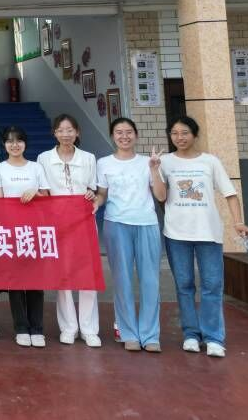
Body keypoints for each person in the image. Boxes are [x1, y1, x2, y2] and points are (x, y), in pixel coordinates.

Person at [159, 115, 248, 358]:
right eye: (174, 133)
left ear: (195, 135)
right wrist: (153, 168)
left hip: (208, 232)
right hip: (176, 233)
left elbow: (230, 193)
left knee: (212, 285)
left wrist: (238, 222)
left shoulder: (210, 161)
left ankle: (213, 337)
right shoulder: (164, 162)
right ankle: (190, 334)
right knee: (184, 285)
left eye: (185, 133)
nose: (179, 137)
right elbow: (160, 196)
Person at [94, 117, 163, 353]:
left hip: (146, 223)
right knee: (122, 280)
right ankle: (128, 333)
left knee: (150, 281)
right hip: (116, 224)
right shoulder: (104, 163)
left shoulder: (148, 162)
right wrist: (94, 203)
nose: (124, 136)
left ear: (136, 135)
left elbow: (161, 196)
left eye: (128, 132)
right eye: (119, 132)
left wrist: (154, 169)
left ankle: (150, 335)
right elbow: (102, 194)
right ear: (113, 136)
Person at [37, 114, 101, 348]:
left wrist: (92, 194)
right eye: (61, 130)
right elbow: (43, 191)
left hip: (84, 221)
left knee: (87, 274)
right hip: (58, 223)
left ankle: (89, 329)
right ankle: (68, 327)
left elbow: (93, 188)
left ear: (77, 132)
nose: (65, 134)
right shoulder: (44, 158)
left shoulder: (89, 158)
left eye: (70, 130)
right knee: (63, 275)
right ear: (54, 133)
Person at [0, 126, 50, 348]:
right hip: (10, 230)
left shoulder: (36, 167)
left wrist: (36, 193)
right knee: (15, 281)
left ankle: (37, 328)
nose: (14, 145)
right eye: (9, 141)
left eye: (19, 141)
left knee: (35, 281)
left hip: (34, 230)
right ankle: (21, 327)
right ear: (4, 145)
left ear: (25, 143)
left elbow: (47, 196)